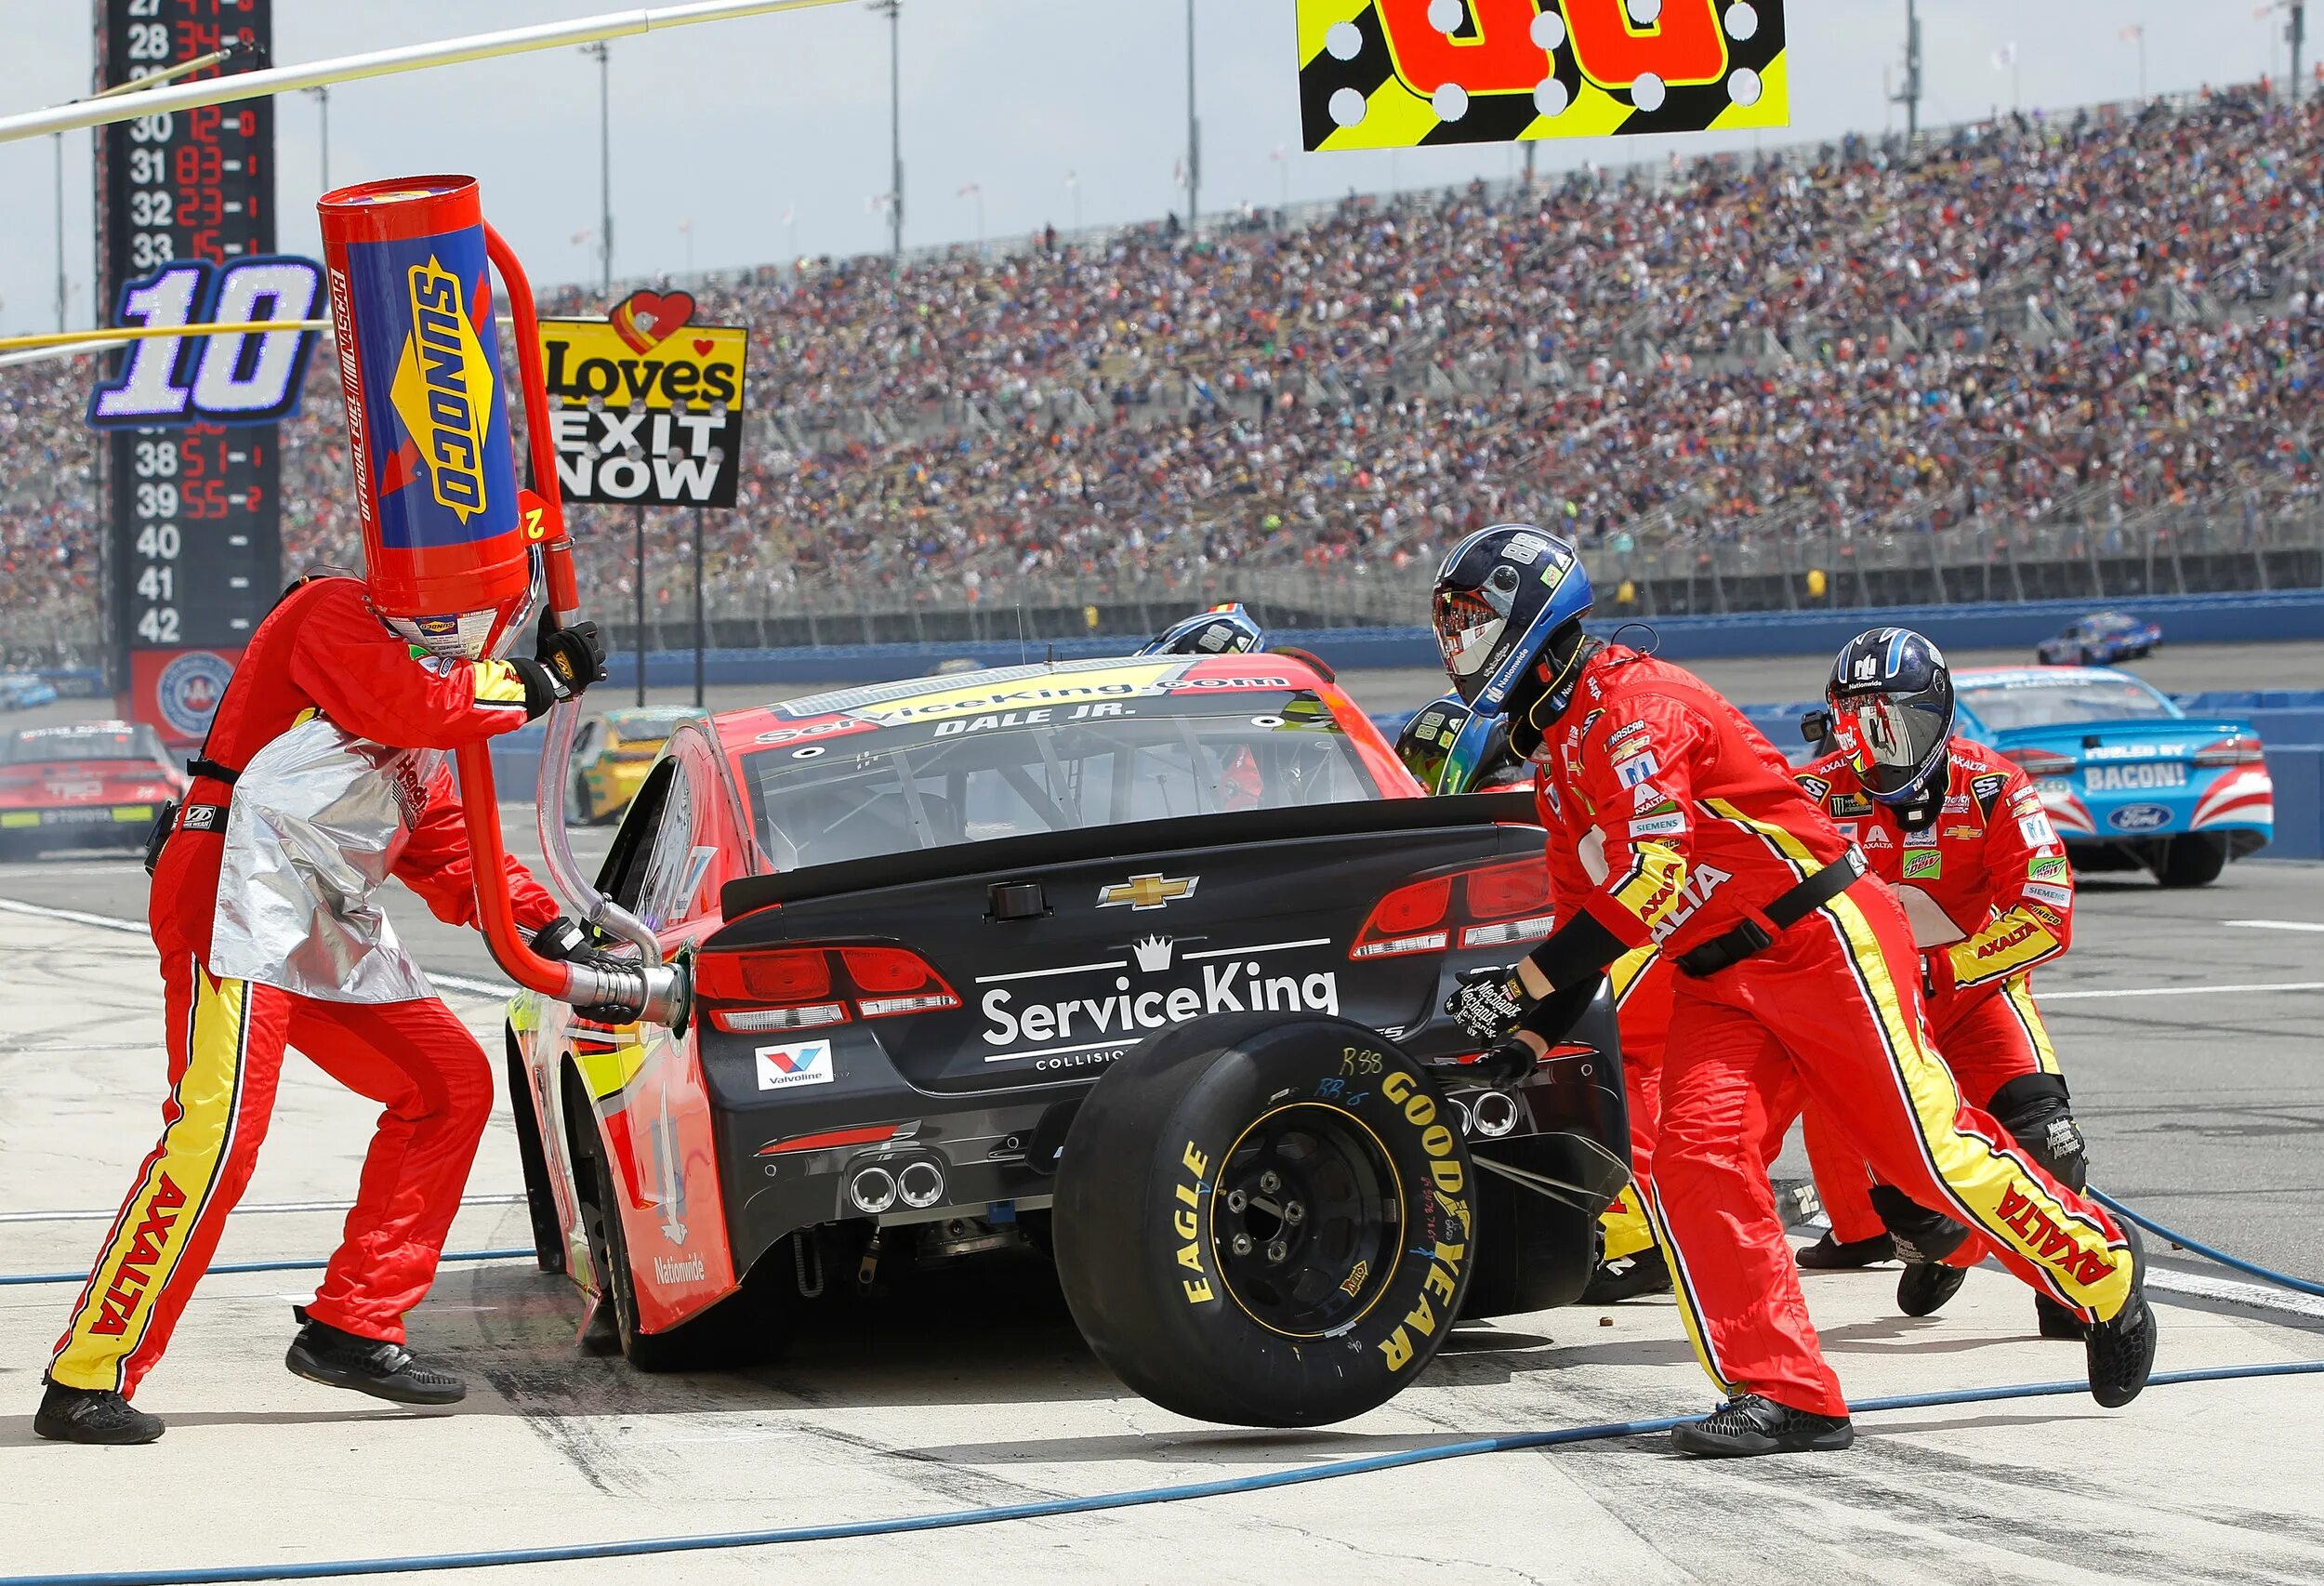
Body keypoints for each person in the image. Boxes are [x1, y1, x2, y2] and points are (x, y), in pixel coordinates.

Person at [1430, 523, 2155, 1458]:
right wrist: (1523, 1043)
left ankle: (2100, 1269)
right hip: (1717, 978)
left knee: (1925, 1155)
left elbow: (1649, 878)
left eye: (1468, 616)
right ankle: (1788, 1392)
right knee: (1693, 1166)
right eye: (1444, 620)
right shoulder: (1562, 758)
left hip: (1819, 940)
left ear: (1533, 617)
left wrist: (1521, 982)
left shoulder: (1637, 705)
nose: (1451, 640)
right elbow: (1593, 929)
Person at [36, 568, 622, 1446]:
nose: (464, 630)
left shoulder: (432, 711)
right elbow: (411, 704)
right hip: (233, 899)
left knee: (449, 1086)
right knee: (218, 1139)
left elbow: (450, 845)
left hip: (324, 919)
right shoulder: (331, 610)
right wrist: (539, 682)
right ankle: (86, 1373)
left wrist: (549, 924)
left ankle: (355, 1325)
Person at [1791, 629, 2094, 1341]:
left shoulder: (1993, 787)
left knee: (2048, 1140)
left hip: (1973, 995)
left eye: (1902, 726)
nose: (1884, 749)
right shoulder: (1806, 796)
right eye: (1863, 728)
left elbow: (2047, 915)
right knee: (1915, 1209)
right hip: (1875, 1014)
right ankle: (1947, 1249)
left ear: (1944, 713)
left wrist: (1942, 967)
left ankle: (2070, 1284)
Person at [1394, 693, 1670, 1302]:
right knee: (1630, 1075)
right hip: (1625, 944)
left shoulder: (1481, 814)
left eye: (1421, 765)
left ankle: (1640, 1234)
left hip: (1607, 953)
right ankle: (1652, 1227)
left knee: (1606, 1069)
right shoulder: (1530, 798)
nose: (1414, 781)